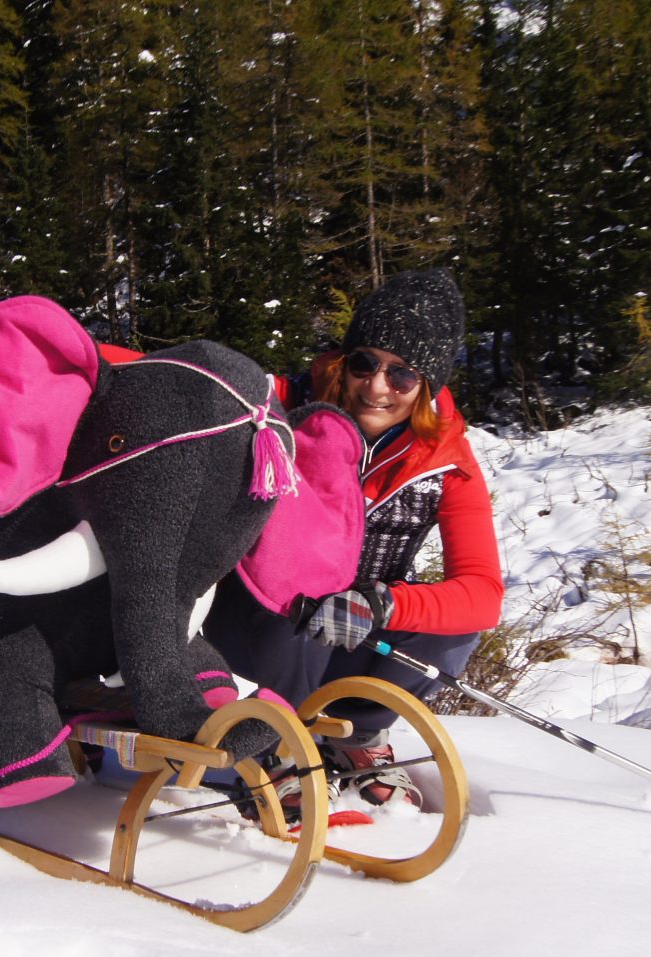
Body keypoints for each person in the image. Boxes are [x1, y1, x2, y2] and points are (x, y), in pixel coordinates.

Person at [203, 268, 504, 814]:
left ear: (428, 386)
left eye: (402, 375)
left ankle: (356, 738)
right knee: (289, 598)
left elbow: (483, 592)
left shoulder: (446, 463)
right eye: (365, 363)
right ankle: (265, 745)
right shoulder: (282, 402)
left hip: (351, 633)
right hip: (251, 626)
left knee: (455, 629)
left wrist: (382, 602)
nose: (377, 386)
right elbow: (193, 379)